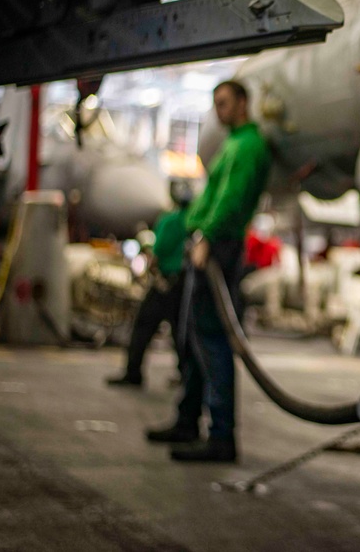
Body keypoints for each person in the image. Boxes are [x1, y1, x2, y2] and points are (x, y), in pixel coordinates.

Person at [145, 80, 271, 463]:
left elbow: (231, 200)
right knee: (195, 339)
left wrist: (208, 238)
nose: (219, 110)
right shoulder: (234, 143)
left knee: (212, 340)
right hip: (208, 246)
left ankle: (221, 437)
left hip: (217, 249)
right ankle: (188, 421)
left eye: (224, 103)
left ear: (243, 103)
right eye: (215, 104)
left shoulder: (248, 145)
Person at [106, 179, 193, 388]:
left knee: (143, 327)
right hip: (184, 284)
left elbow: (157, 253)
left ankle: (133, 373)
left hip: (164, 284)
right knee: (182, 332)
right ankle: (186, 376)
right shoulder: (193, 220)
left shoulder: (169, 221)